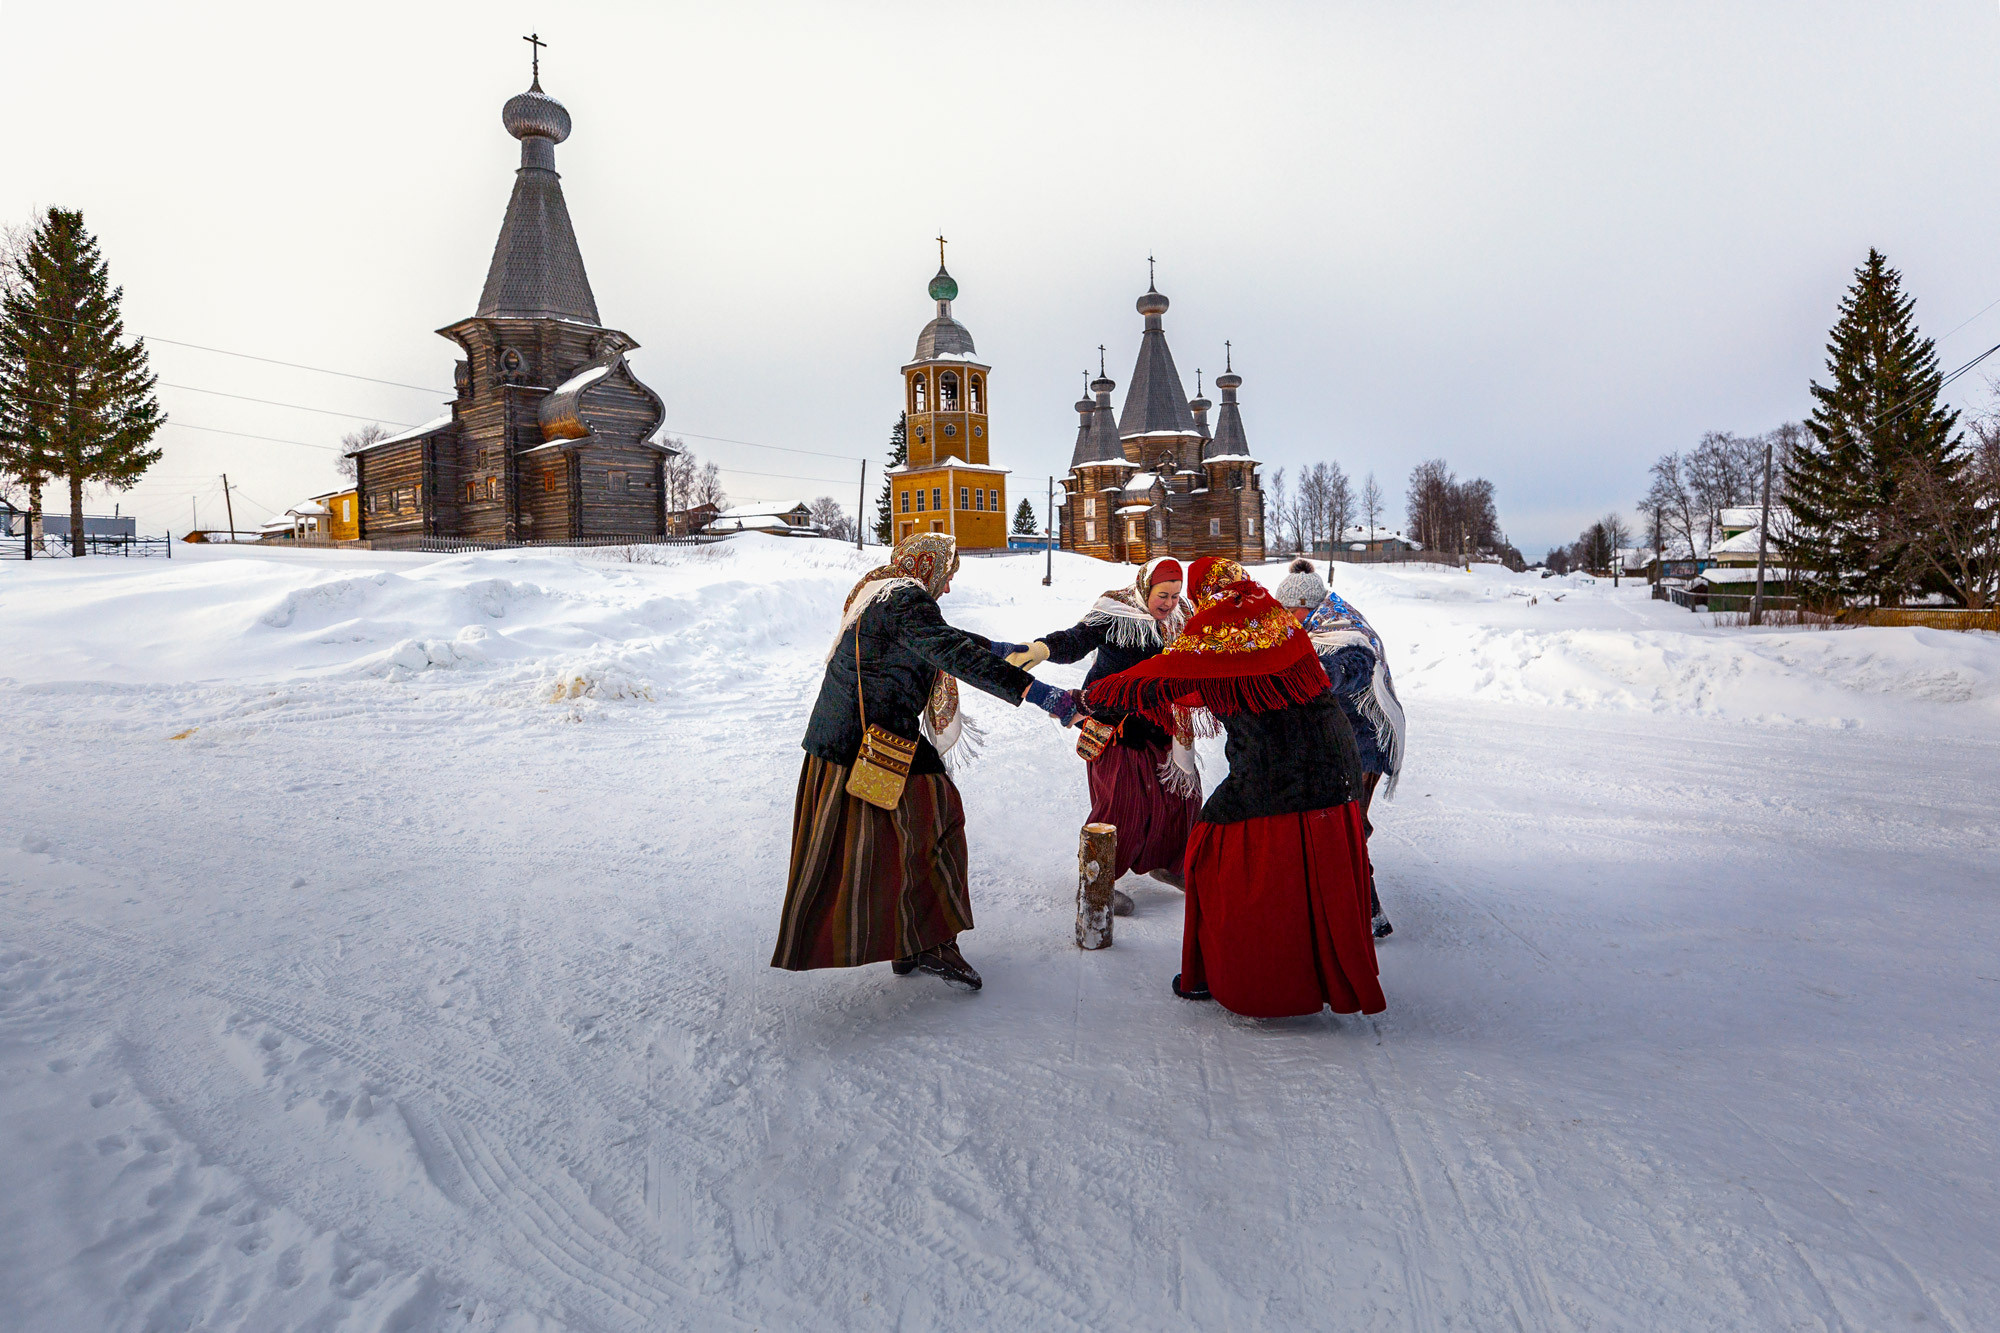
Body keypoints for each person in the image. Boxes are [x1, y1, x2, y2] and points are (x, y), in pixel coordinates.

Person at [772, 533, 1078, 991]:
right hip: (868, 743)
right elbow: (947, 650)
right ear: (929, 567)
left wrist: (996, 647)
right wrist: (1041, 694)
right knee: (936, 823)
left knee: (896, 840)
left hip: (852, 739)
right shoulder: (907, 600)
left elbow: (939, 638)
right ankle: (929, 942)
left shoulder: (882, 588)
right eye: (949, 575)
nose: (949, 587)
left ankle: (909, 940)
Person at [1087, 557, 1385, 1019]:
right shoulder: (1272, 616)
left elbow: (1166, 679)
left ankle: (1233, 979)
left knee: (1212, 855)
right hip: (1336, 764)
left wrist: (1088, 697)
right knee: (1305, 868)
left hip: (1276, 768)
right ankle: (1320, 977)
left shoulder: (1220, 627)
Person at [993, 557, 1199, 916]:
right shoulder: (1114, 610)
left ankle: (1166, 863)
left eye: (1175, 595)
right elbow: (1078, 639)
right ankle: (1096, 882)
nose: (1168, 603)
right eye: (1162, 594)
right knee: (1120, 805)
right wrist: (1042, 649)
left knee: (1177, 802)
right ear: (1144, 587)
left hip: (1160, 725)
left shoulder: (1180, 619)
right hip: (1115, 726)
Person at [1273, 558, 1407, 939]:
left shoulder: (1343, 631)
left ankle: (1367, 913)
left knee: (1346, 829)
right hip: (1345, 740)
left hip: (1363, 744)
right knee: (1344, 826)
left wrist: (1318, 676)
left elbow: (1352, 667)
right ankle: (1362, 911)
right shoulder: (1320, 620)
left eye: (1289, 612)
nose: (1287, 620)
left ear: (1304, 606)